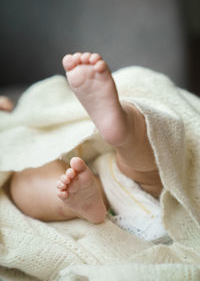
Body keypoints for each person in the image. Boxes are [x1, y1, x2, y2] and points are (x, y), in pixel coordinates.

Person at [1, 52, 163, 224]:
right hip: (113, 177)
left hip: (37, 136)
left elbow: (7, 106)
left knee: (29, 179)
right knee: (27, 178)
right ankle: (124, 135)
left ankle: (122, 128)